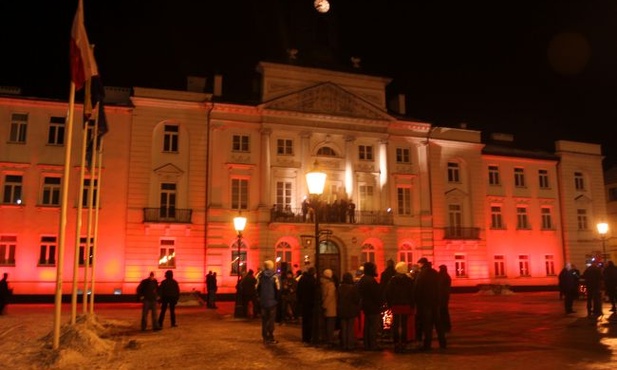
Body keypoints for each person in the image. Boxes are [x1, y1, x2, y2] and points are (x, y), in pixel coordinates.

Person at [414, 257, 446, 350]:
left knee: (427, 324)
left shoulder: (421, 274)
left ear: (422, 264)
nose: (418, 266)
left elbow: (417, 289)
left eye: (419, 264)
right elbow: (440, 288)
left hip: (425, 303)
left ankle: (427, 344)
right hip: (435, 302)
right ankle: (442, 342)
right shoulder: (435, 273)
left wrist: (417, 301)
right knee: (438, 324)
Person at [385, 262, 415, 353]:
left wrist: (390, 304)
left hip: (395, 304)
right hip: (406, 304)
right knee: (404, 324)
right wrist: (412, 304)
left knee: (396, 324)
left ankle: (396, 343)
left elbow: (388, 293)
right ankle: (404, 342)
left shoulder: (393, 280)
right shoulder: (409, 281)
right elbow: (412, 294)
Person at [357, 261, 383, 351]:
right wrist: (380, 303)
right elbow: (376, 295)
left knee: (367, 327)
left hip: (366, 306)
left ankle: (367, 344)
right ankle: (372, 345)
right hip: (373, 307)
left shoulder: (362, 280)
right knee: (373, 327)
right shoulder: (371, 281)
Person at [256, 260, 281, 344]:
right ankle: (270, 336)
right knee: (271, 320)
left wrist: (260, 297)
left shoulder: (260, 276)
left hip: (263, 301)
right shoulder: (275, 276)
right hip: (272, 301)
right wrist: (277, 299)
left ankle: (265, 337)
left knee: (264, 320)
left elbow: (257, 288)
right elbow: (278, 289)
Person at [337, 271, 361, 351]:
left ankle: (344, 344)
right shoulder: (353, 288)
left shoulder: (339, 288)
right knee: (350, 328)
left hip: (342, 310)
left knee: (343, 328)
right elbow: (356, 299)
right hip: (351, 310)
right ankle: (350, 344)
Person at [296, 267, 317, 344]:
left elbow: (298, 291)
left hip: (304, 302)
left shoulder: (302, 279)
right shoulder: (313, 280)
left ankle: (305, 337)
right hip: (311, 303)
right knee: (310, 321)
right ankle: (309, 337)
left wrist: (300, 300)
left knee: (305, 321)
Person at [321, 269, 337, 346]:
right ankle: (329, 339)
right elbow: (330, 296)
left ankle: (325, 337)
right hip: (330, 307)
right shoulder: (330, 284)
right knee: (330, 324)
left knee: (325, 323)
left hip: (324, 305)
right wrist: (325, 305)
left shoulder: (321, 282)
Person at [438, 264, 452, 332]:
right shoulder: (446, 276)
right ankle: (446, 326)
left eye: (440, 269)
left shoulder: (443, 276)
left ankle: (445, 326)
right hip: (444, 296)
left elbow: (440, 286)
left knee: (443, 311)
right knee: (444, 311)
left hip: (442, 296)